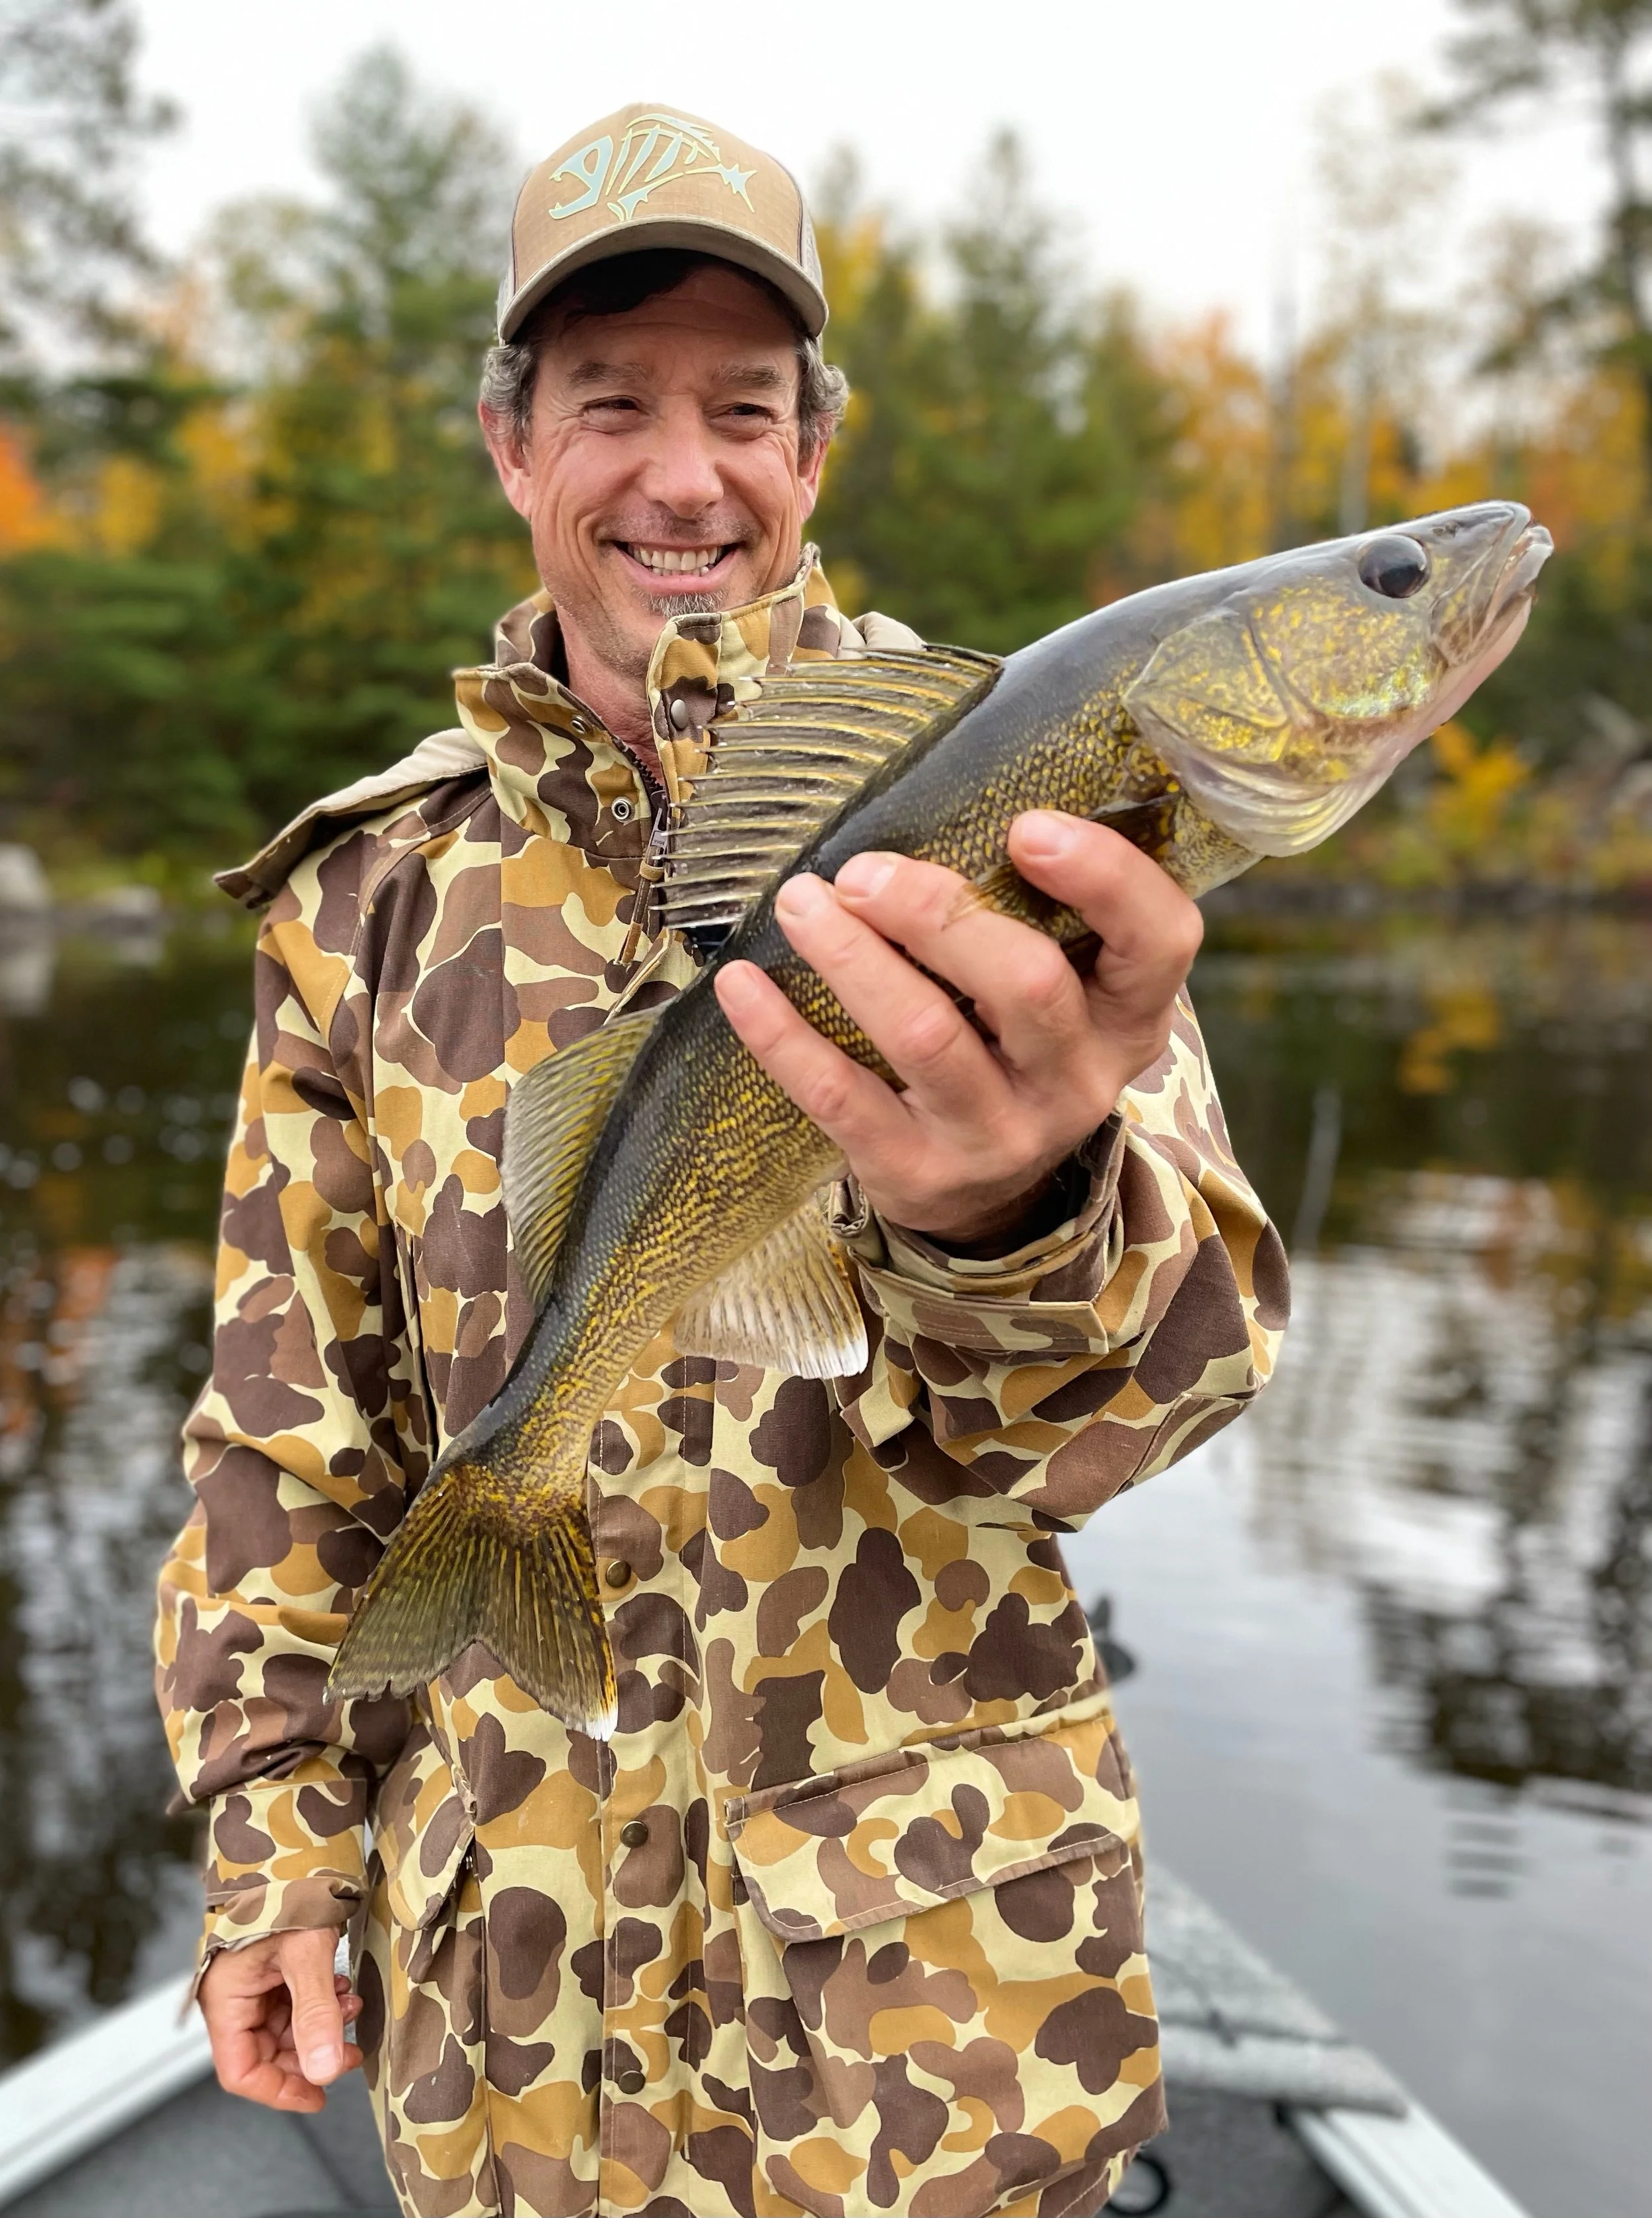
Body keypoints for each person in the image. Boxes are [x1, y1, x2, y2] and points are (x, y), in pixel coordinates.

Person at [157, 103, 1288, 2218]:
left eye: (744, 409)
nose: (686, 473)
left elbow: (1151, 1407)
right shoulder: (367, 898)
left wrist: (1009, 1213)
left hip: (930, 2029)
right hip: (514, 2027)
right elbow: (287, 1430)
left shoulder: (1009, 801)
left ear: (815, 449)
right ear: (511, 447)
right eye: (613, 404)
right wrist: (274, 1835)